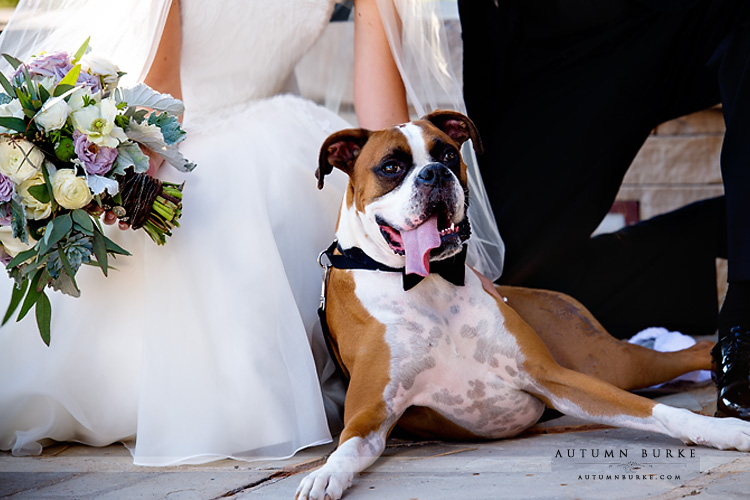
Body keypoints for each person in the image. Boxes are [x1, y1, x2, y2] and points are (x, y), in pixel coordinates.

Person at [355, 0, 750, 420]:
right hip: (537, 55)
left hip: (677, 15)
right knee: (502, 289)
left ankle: (745, 312)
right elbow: (376, 10)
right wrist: (414, 223)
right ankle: (716, 231)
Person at [0, 0, 352, 464]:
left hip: (270, 123)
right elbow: (161, 93)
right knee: (227, 198)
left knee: (251, 196)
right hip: (175, 120)